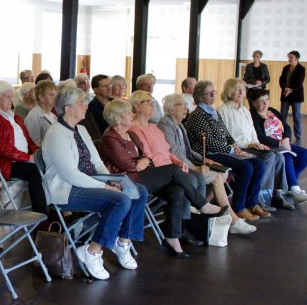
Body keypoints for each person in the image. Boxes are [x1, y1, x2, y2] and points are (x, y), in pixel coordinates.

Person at [42, 86, 148, 279]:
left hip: (89, 182)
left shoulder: (81, 129)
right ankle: (91, 251)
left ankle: (122, 243)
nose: (85, 106)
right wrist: (105, 186)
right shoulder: (56, 133)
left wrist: (113, 180)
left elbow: (97, 163)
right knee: (120, 200)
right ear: (67, 108)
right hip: (66, 189)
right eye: (81, 103)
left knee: (138, 191)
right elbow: (71, 175)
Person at [100, 98, 225, 259]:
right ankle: (202, 205)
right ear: (117, 119)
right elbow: (129, 166)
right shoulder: (110, 138)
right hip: (125, 181)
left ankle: (172, 238)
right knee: (174, 170)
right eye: (128, 113)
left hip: (142, 175)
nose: (132, 114)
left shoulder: (130, 133)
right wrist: (144, 161)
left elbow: (146, 157)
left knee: (177, 190)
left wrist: (146, 160)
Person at [158, 94, 257, 235]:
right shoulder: (165, 124)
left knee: (223, 173)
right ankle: (232, 220)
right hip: (177, 166)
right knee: (217, 178)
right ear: (171, 108)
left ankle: (199, 209)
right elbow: (175, 152)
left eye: (186, 105)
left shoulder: (179, 124)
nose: (186, 108)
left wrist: (205, 160)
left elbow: (188, 150)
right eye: (181, 105)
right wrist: (195, 167)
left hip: (187, 162)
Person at [184, 80, 266, 222]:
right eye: (209, 93)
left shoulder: (213, 112)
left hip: (222, 151)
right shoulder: (197, 115)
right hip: (207, 154)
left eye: (213, 92)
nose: (213, 95)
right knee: (246, 167)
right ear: (200, 96)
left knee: (259, 164)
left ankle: (251, 203)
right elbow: (209, 143)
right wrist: (233, 150)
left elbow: (226, 134)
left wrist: (235, 147)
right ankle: (239, 208)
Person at [218, 78, 293, 211]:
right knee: (269, 156)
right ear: (230, 91)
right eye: (238, 89)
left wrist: (257, 144)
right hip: (238, 148)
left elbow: (252, 132)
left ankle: (277, 194)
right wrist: (250, 145)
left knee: (280, 157)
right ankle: (258, 196)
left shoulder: (245, 111)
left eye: (243, 89)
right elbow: (226, 137)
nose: (241, 92)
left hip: (250, 145)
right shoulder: (223, 111)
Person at [0, 81, 48, 214]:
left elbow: (28, 141)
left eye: (11, 96)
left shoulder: (14, 117)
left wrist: (38, 153)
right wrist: (27, 158)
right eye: (7, 97)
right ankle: (42, 217)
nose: (11, 100)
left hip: (19, 159)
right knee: (34, 171)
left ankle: (57, 210)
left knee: (50, 163)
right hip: (2, 163)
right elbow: (1, 148)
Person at [249, 88, 307, 205]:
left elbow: (286, 126)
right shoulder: (252, 116)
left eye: (267, 100)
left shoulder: (272, 111)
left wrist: (286, 139)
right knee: (287, 156)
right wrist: (280, 144)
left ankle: (289, 184)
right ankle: (296, 191)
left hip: (283, 142)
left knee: (305, 155)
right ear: (253, 102)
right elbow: (260, 137)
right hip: (269, 146)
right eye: (261, 101)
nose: (265, 103)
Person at [279, 50, 306, 144]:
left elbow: (299, 82)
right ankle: (281, 133)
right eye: (289, 57)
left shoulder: (301, 69)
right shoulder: (286, 68)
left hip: (296, 95)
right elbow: (281, 80)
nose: (289, 59)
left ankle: (298, 136)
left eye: (291, 57)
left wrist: (289, 90)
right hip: (285, 95)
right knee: (282, 115)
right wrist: (284, 88)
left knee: (297, 116)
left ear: (297, 59)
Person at [24, 80, 57, 147]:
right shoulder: (34, 117)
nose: (55, 97)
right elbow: (34, 145)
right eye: (51, 95)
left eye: (55, 94)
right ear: (41, 98)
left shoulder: (53, 116)